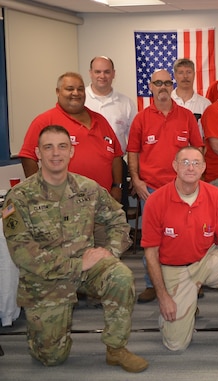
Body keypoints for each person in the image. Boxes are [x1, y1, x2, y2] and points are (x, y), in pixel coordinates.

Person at [3, 125, 147, 372]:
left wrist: (109, 253)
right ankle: (48, 333)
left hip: (88, 267)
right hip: (45, 278)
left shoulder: (87, 188)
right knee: (51, 357)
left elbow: (118, 220)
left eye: (62, 147)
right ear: (37, 153)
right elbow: (22, 254)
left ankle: (116, 348)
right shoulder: (19, 197)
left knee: (120, 276)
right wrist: (77, 265)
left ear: (71, 152)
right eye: (48, 147)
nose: (55, 153)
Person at [142, 146, 218, 359]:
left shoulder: (214, 195)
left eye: (196, 163)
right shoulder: (156, 201)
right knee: (176, 345)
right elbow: (151, 255)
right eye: (185, 162)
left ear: (204, 167)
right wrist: (163, 297)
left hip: (206, 258)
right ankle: (183, 305)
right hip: (174, 268)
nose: (191, 167)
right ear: (175, 166)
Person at [127, 69, 205, 303]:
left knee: (186, 234)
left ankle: (192, 281)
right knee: (153, 238)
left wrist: (195, 178)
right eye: (157, 83)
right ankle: (153, 283)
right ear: (150, 86)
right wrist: (137, 180)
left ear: (172, 87)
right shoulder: (141, 118)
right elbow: (133, 152)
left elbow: (198, 148)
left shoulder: (186, 116)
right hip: (150, 188)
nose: (162, 87)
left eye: (166, 83)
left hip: (183, 187)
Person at [19, 72, 123, 202]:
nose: (76, 93)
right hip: (64, 205)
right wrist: (39, 189)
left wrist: (117, 186)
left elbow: (116, 155)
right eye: (70, 89)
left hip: (102, 203)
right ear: (58, 92)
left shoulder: (100, 120)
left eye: (80, 89)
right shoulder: (45, 121)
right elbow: (28, 156)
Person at [85, 56, 137, 152]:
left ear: (113, 74)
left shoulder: (127, 103)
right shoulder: (80, 100)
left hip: (117, 163)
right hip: (85, 162)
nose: (102, 76)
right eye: (97, 72)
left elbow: (134, 141)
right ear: (90, 73)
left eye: (107, 72)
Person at [171, 58, 212, 136]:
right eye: (181, 73)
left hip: (196, 147)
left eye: (188, 72)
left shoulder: (205, 104)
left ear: (194, 74)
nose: (185, 76)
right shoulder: (167, 101)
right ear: (175, 75)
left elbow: (208, 136)